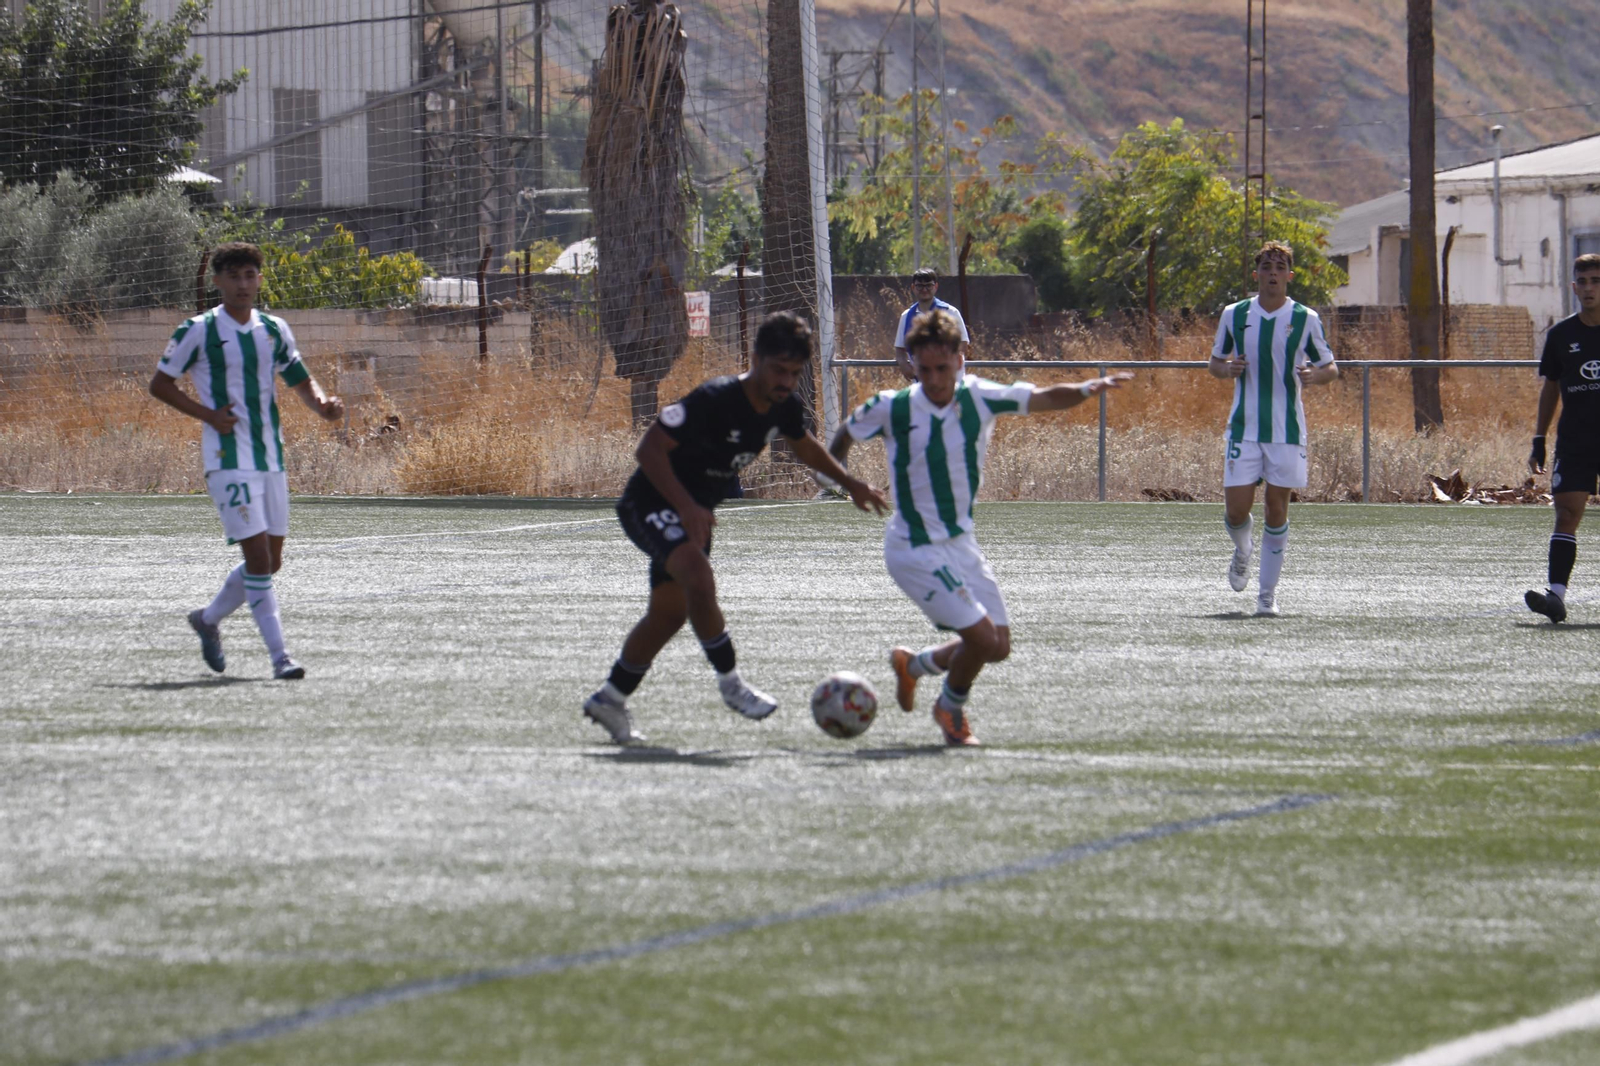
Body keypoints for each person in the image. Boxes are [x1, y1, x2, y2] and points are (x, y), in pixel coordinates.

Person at [584, 311, 888, 745]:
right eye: (778, 369)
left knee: (669, 614)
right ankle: (730, 683)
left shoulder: (783, 405)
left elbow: (805, 447)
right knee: (698, 577)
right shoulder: (715, 398)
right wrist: (686, 504)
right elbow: (648, 449)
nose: (785, 381)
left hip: (694, 513)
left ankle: (609, 698)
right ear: (756, 358)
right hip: (649, 502)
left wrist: (851, 482)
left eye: (794, 372)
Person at [831, 308, 1130, 747]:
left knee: (998, 645)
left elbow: (1045, 397)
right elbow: (843, 436)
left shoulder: (979, 396)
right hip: (913, 547)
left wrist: (1089, 387)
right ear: (911, 362)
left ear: (959, 358)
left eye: (942, 367)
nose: (933, 379)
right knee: (981, 637)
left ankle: (915, 665)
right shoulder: (891, 406)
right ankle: (949, 709)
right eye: (924, 369)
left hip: (960, 543)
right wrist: (846, 482)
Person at [149, 242, 344, 679]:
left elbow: (299, 379)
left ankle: (208, 618)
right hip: (227, 459)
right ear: (217, 281)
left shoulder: (273, 328)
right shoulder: (196, 330)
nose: (242, 284)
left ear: (259, 279)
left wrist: (324, 405)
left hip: (270, 457)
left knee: (271, 562)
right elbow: (159, 384)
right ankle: (281, 658)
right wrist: (208, 415)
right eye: (233, 276)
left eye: (249, 275)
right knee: (258, 559)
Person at [1208, 240, 1339, 617]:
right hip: (1243, 428)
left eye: (1280, 268)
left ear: (1290, 276)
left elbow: (1331, 367)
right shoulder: (1234, 314)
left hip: (1286, 430)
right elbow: (1215, 364)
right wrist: (1227, 368)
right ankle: (1243, 549)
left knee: (1276, 509)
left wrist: (1316, 375)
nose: (1273, 274)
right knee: (1236, 511)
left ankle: (1267, 596)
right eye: (1266, 267)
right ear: (1256, 274)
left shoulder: (1306, 318)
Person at [1525, 252, 1600, 623]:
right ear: (1573, 287)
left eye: (1596, 281)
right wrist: (1539, 437)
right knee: (1567, 513)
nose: (1589, 289)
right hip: (1576, 441)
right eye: (1583, 282)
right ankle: (1556, 596)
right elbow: (1550, 387)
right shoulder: (1561, 335)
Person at [892, 267, 969, 381]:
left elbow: (963, 344)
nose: (924, 289)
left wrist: (943, 365)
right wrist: (904, 365)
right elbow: (899, 349)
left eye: (929, 285)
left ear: (936, 287)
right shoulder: (906, 316)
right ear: (913, 287)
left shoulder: (950, 312)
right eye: (920, 286)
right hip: (921, 383)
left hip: (951, 382)